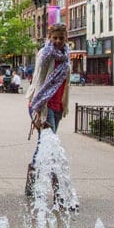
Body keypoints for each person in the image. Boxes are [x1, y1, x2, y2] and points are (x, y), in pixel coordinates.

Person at [25, 23, 71, 200]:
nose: (58, 41)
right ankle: (56, 189)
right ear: (50, 38)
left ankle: (33, 184)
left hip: (58, 105)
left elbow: (67, 83)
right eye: (55, 38)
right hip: (42, 104)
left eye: (61, 38)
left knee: (46, 144)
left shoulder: (66, 56)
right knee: (48, 145)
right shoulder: (45, 54)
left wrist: (63, 102)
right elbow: (38, 80)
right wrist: (38, 109)